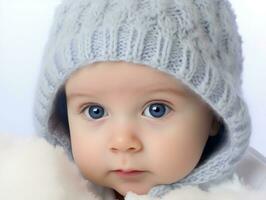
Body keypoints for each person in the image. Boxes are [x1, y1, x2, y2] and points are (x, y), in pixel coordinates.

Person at [33, 0, 253, 199]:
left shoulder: (248, 189)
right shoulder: (44, 187)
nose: (123, 143)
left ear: (215, 114)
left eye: (157, 109)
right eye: (95, 111)